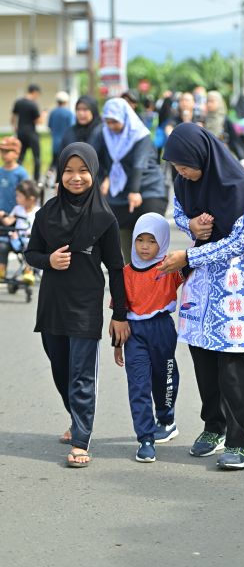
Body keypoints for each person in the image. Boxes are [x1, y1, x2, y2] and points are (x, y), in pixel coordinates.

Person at [158, 123, 244, 470]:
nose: (180, 173)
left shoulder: (238, 183)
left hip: (237, 278)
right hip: (202, 277)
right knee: (201, 354)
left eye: (184, 166)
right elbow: (178, 211)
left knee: (231, 358)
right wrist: (189, 225)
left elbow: (242, 239)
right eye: (175, 167)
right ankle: (213, 426)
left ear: (201, 156)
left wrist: (189, 256)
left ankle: (240, 439)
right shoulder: (183, 181)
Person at [25, 142, 130, 468]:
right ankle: (76, 417)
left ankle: (81, 440)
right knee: (60, 370)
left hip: (85, 306)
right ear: (60, 174)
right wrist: (48, 260)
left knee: (81, 375)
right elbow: (31, 254)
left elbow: (116, 267)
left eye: (83, 170)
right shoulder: (46, 213)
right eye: (69, 171)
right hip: (52, 305)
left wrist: (120, 313)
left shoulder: (103, 217)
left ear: (93, 173)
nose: (76, 177)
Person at [113, 213, 183, 463]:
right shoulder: (125, 273)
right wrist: (117, 344)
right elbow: (118, 313)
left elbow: (196, 267)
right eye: (140, 240)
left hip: (162, 329)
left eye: (152, 241)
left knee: (165, 378)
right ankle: (145, 438)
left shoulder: (170, 268)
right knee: (138, 385)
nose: (144, 246)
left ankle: (166, 418)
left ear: (162, 242)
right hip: (134, 334)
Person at [98, 97, 168, 262]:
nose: (111, 126)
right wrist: (104, 178)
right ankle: (132, 271)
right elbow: (97, 157)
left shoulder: (140, 134)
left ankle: (154, 274)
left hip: (148, 188)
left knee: (149, 237)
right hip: (120, 189)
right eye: (108, 122)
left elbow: (139, 163)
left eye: (115, 122)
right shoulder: (104, 134)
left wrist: (135, 191)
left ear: (124, 117)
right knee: (124, 234)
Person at [0, 179, 40, 283]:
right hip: (16, 239)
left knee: (29, 249)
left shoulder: (38, 211)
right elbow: (9, 221)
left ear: (30, 199)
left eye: (19, 196)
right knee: (2, 246)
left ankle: (28, 271)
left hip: (29, 241)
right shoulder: (17, 209)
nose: (16, 198)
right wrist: (2, 216)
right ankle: (1, 270)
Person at [204, 90, 244, 165]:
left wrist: (242, 158)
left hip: (223, 158)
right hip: (207, 157)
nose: (209, 104)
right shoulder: (204, 119)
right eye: (207, 101)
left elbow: (234, 141)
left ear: (219, 102)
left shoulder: (225, 120)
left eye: (212, 101)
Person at [11, 84, 42, 182]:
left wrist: (15, 128)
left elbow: (13, 117)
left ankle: (16, 177)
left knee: (20, 156)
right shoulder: (33, 104)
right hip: (31, 133)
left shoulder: (18, 102)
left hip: (20, 133)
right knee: (36, 157)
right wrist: (44, 115)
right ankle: (36, 180)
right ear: (35, 92)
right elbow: (38, 121)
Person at [0, 136, 28, 216]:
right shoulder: (0, 171)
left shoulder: (21, 173)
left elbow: (26, 194)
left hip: (15, 214)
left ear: (17, 153)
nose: (3, 154)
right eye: (2, 151)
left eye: (7, 151)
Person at [47, 91, 75, 168]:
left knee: (54, 164)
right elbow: (72, 128)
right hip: (66, 143)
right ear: (66, 101)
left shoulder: (53, 113)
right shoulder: (69, 113)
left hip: (55, 143)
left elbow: (49, 126)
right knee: (65, 165)